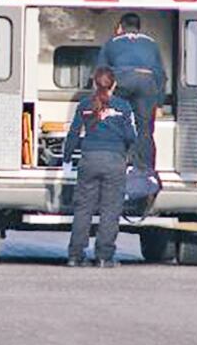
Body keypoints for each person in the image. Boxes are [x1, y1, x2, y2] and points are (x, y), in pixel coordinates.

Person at [62, 67, 136, 268]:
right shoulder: (124, 107)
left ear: (94, 84)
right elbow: (131, 136)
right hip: (114, 161)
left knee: (84, 209)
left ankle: (75, 256)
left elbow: (74, 134)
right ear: (114, 85)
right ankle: (104, 256)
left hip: (89, 160)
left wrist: (67, 158)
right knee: (110, 210)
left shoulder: (85, 105)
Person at [96, 13, 166, 170]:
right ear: (139, 28)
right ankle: (145, 170)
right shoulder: (151, 43)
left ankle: (117, 163)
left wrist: (103, 95)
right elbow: (161, 74)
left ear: (120, 27)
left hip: (122, 80)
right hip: (147, 82)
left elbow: (101, 71)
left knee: (116, 122)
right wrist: (159, 104)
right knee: (145, 130)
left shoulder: (112, 42)